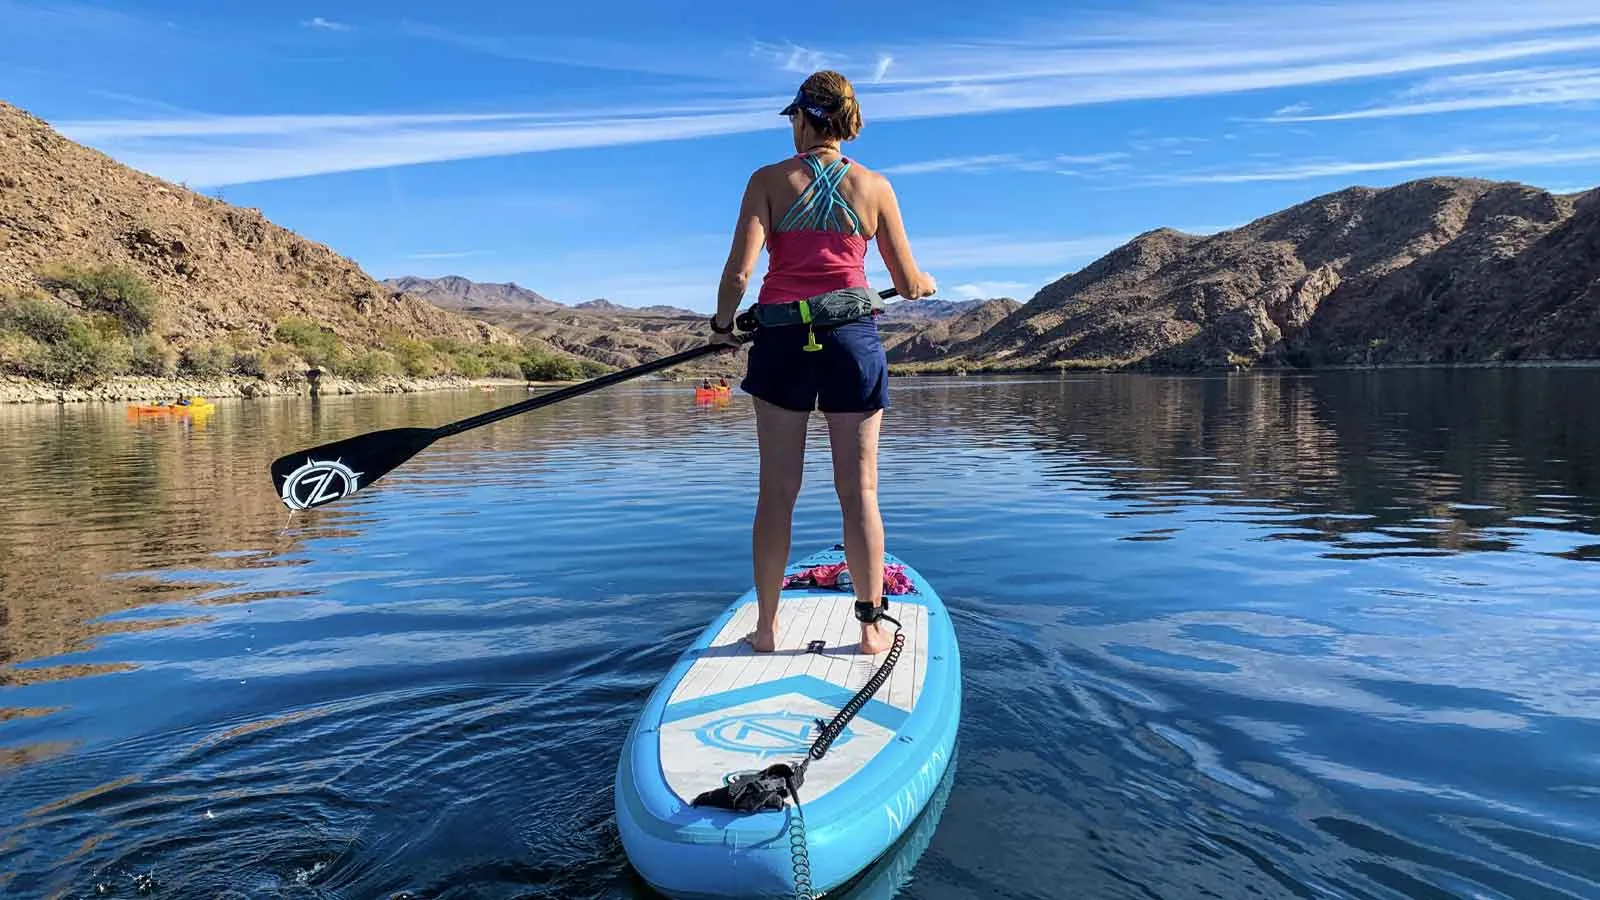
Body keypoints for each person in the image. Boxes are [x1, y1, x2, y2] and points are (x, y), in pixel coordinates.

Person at [709, 69, 937, 655]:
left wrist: (721, 328)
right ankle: (868, 628)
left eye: (793, 118)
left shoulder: (766, 180)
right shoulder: (876, 187)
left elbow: (740, 274)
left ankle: (765, 628)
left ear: (806, 118)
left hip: (783, 344)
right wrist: (922, 284)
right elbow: (907, 281)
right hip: (851, 344)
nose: (792, 127)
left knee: (776, 492)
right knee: (859, 490)